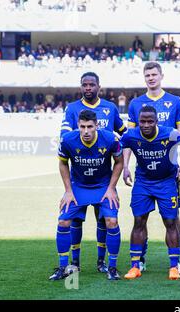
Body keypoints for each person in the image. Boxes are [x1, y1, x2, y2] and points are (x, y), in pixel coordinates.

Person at [60, 72, 126, 274]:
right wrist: (67, 190)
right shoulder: (72, 109)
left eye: (92, 85)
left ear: (99, 86)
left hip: (103, 181)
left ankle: (104, 263)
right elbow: (65, 142)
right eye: (84, 85)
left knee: (105, 219)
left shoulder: (110, 108)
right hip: (79, 180)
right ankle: (71, 265)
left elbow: (124, 134)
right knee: (72, 219)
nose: (88, 88)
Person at [126, 62, 180, 273]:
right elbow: (129, 139)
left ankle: (175, 259)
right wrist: (125, 165)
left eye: (154, 74)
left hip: (168, 171)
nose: (151, 78)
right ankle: (139, 259)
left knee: (173, 215)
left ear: (161, 75)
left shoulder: (174, 101)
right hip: (144, 169)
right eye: (147, 75)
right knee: (140, 217)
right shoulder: (135, 104)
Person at [49, 109, 123, 281]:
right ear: (78, 126)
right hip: (78, 187)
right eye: (82, 127)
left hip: (103, 186)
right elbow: (63, 163)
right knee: (63, 220)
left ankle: (110, 266)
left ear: (97, 125)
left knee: (111, 221)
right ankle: (64, 267)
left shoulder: (111, 139)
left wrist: (112, 188)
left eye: (90, 126)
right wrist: (68, 191)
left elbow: (119, 162)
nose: (86, 131)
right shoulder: (67, 140)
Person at [121, 106, 180, 281]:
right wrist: (125, 167)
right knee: (139, 221)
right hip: (143, 182)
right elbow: (122, 145)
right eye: (143, 121)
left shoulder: (170, 133)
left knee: (170, 221)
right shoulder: (131, 135)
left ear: (157, 121)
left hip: (166, 182)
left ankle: (173, 265)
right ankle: (135, 265)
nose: (146, 125)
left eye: (150, 121)